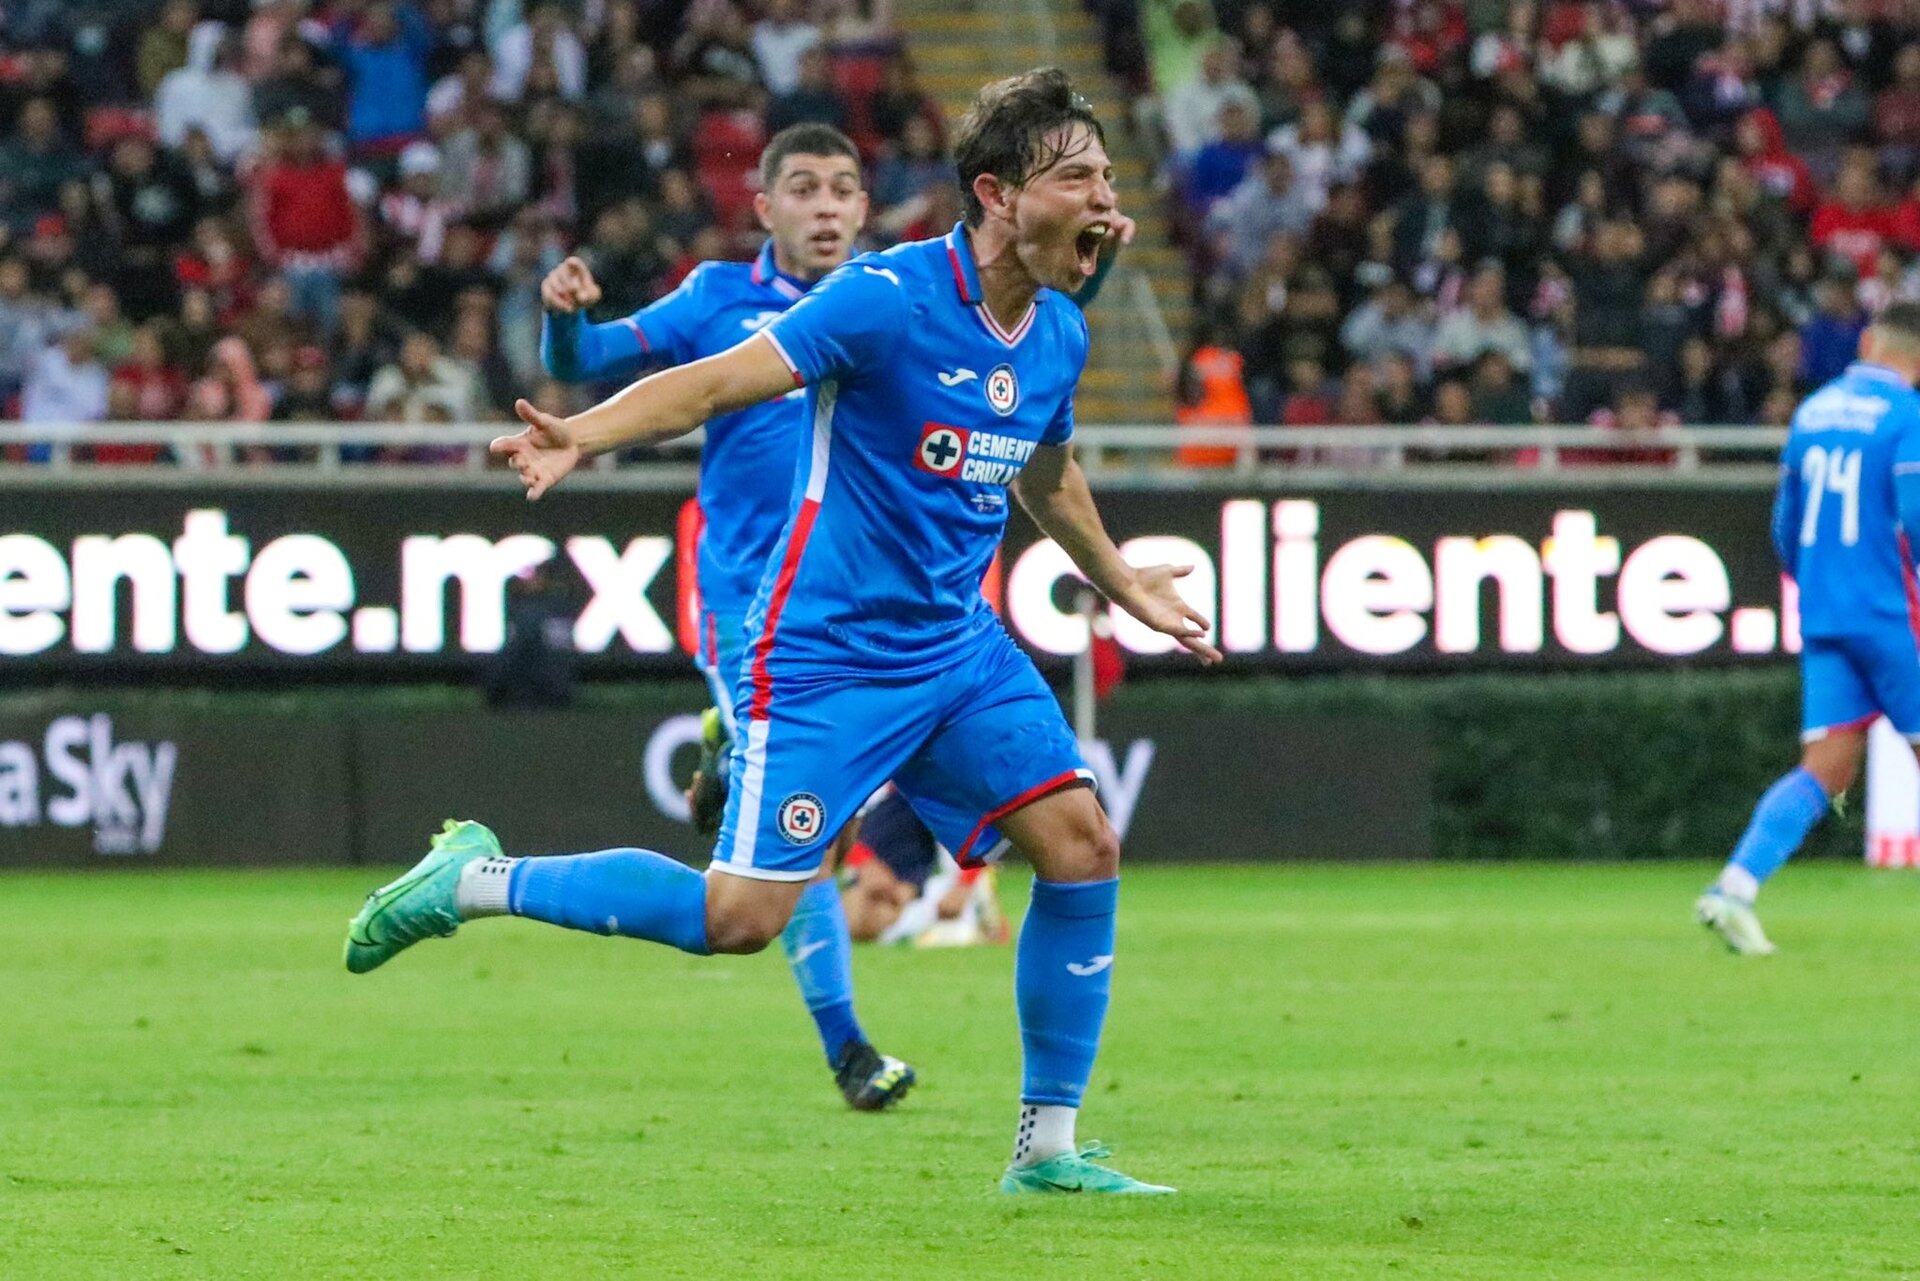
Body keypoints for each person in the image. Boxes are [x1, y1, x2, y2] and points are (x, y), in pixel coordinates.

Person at [343, 68, 1215, 1195]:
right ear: (997, 194)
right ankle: (474, 877)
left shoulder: (1057, 331)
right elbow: (716, 384)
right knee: (741, 916)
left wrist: (1121, 579)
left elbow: (1043, 470)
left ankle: (1046, 1151)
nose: (1107, 199)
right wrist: (581, 435)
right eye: (1080, 178)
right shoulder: (886, 299)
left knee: (1083, 845)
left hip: (957, 647)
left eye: (1108, 177)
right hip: (824, 654)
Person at [533, 123, 918, 1112]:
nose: (826, 206)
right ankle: (850, 1051)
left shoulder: (892, 300)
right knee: (808, 835)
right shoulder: (715, 299)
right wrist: (565, 321)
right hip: (749, 603)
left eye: (843, 188)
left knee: (822, 822)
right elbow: (589, 359)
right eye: (805, 188)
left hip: (855, 600)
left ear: (863, 208)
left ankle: (726, 753)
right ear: (765, 207)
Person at [1697, 303, 1920, 955]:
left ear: (1868, 341)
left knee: (1825, 767)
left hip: (1825, 616)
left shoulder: (1813, 412)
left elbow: (1784, 525)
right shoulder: (1906, 417)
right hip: (1893, 616)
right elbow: (1915, 514)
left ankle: (1734, 888)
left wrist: (1819, 584)